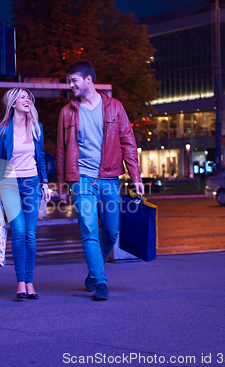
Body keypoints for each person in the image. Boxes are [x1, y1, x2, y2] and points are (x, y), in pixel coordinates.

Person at [56, 60, 144, 301]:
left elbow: (128, 142)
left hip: (109, 177)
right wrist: (64, 185)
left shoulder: (115, 107)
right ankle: (101, 281)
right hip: (81, 178)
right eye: (68, 80)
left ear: (88, 80)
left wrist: (135, 176)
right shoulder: (67, 112)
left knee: (111, 232)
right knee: (88, 229)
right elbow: (62, 152)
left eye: (73, 80)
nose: (70, 84)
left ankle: (93, 273)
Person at [0, 88, 51, 299]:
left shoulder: (36, 127)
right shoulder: (2, 131)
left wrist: (44, 183)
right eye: (22, 97)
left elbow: (40, 157)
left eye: (28, 97)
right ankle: (20, 282)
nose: (28, 100)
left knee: (31, 235)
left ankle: (30, 281)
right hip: (9, 184)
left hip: (32, 183)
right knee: (19, 231)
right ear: (13, 103)